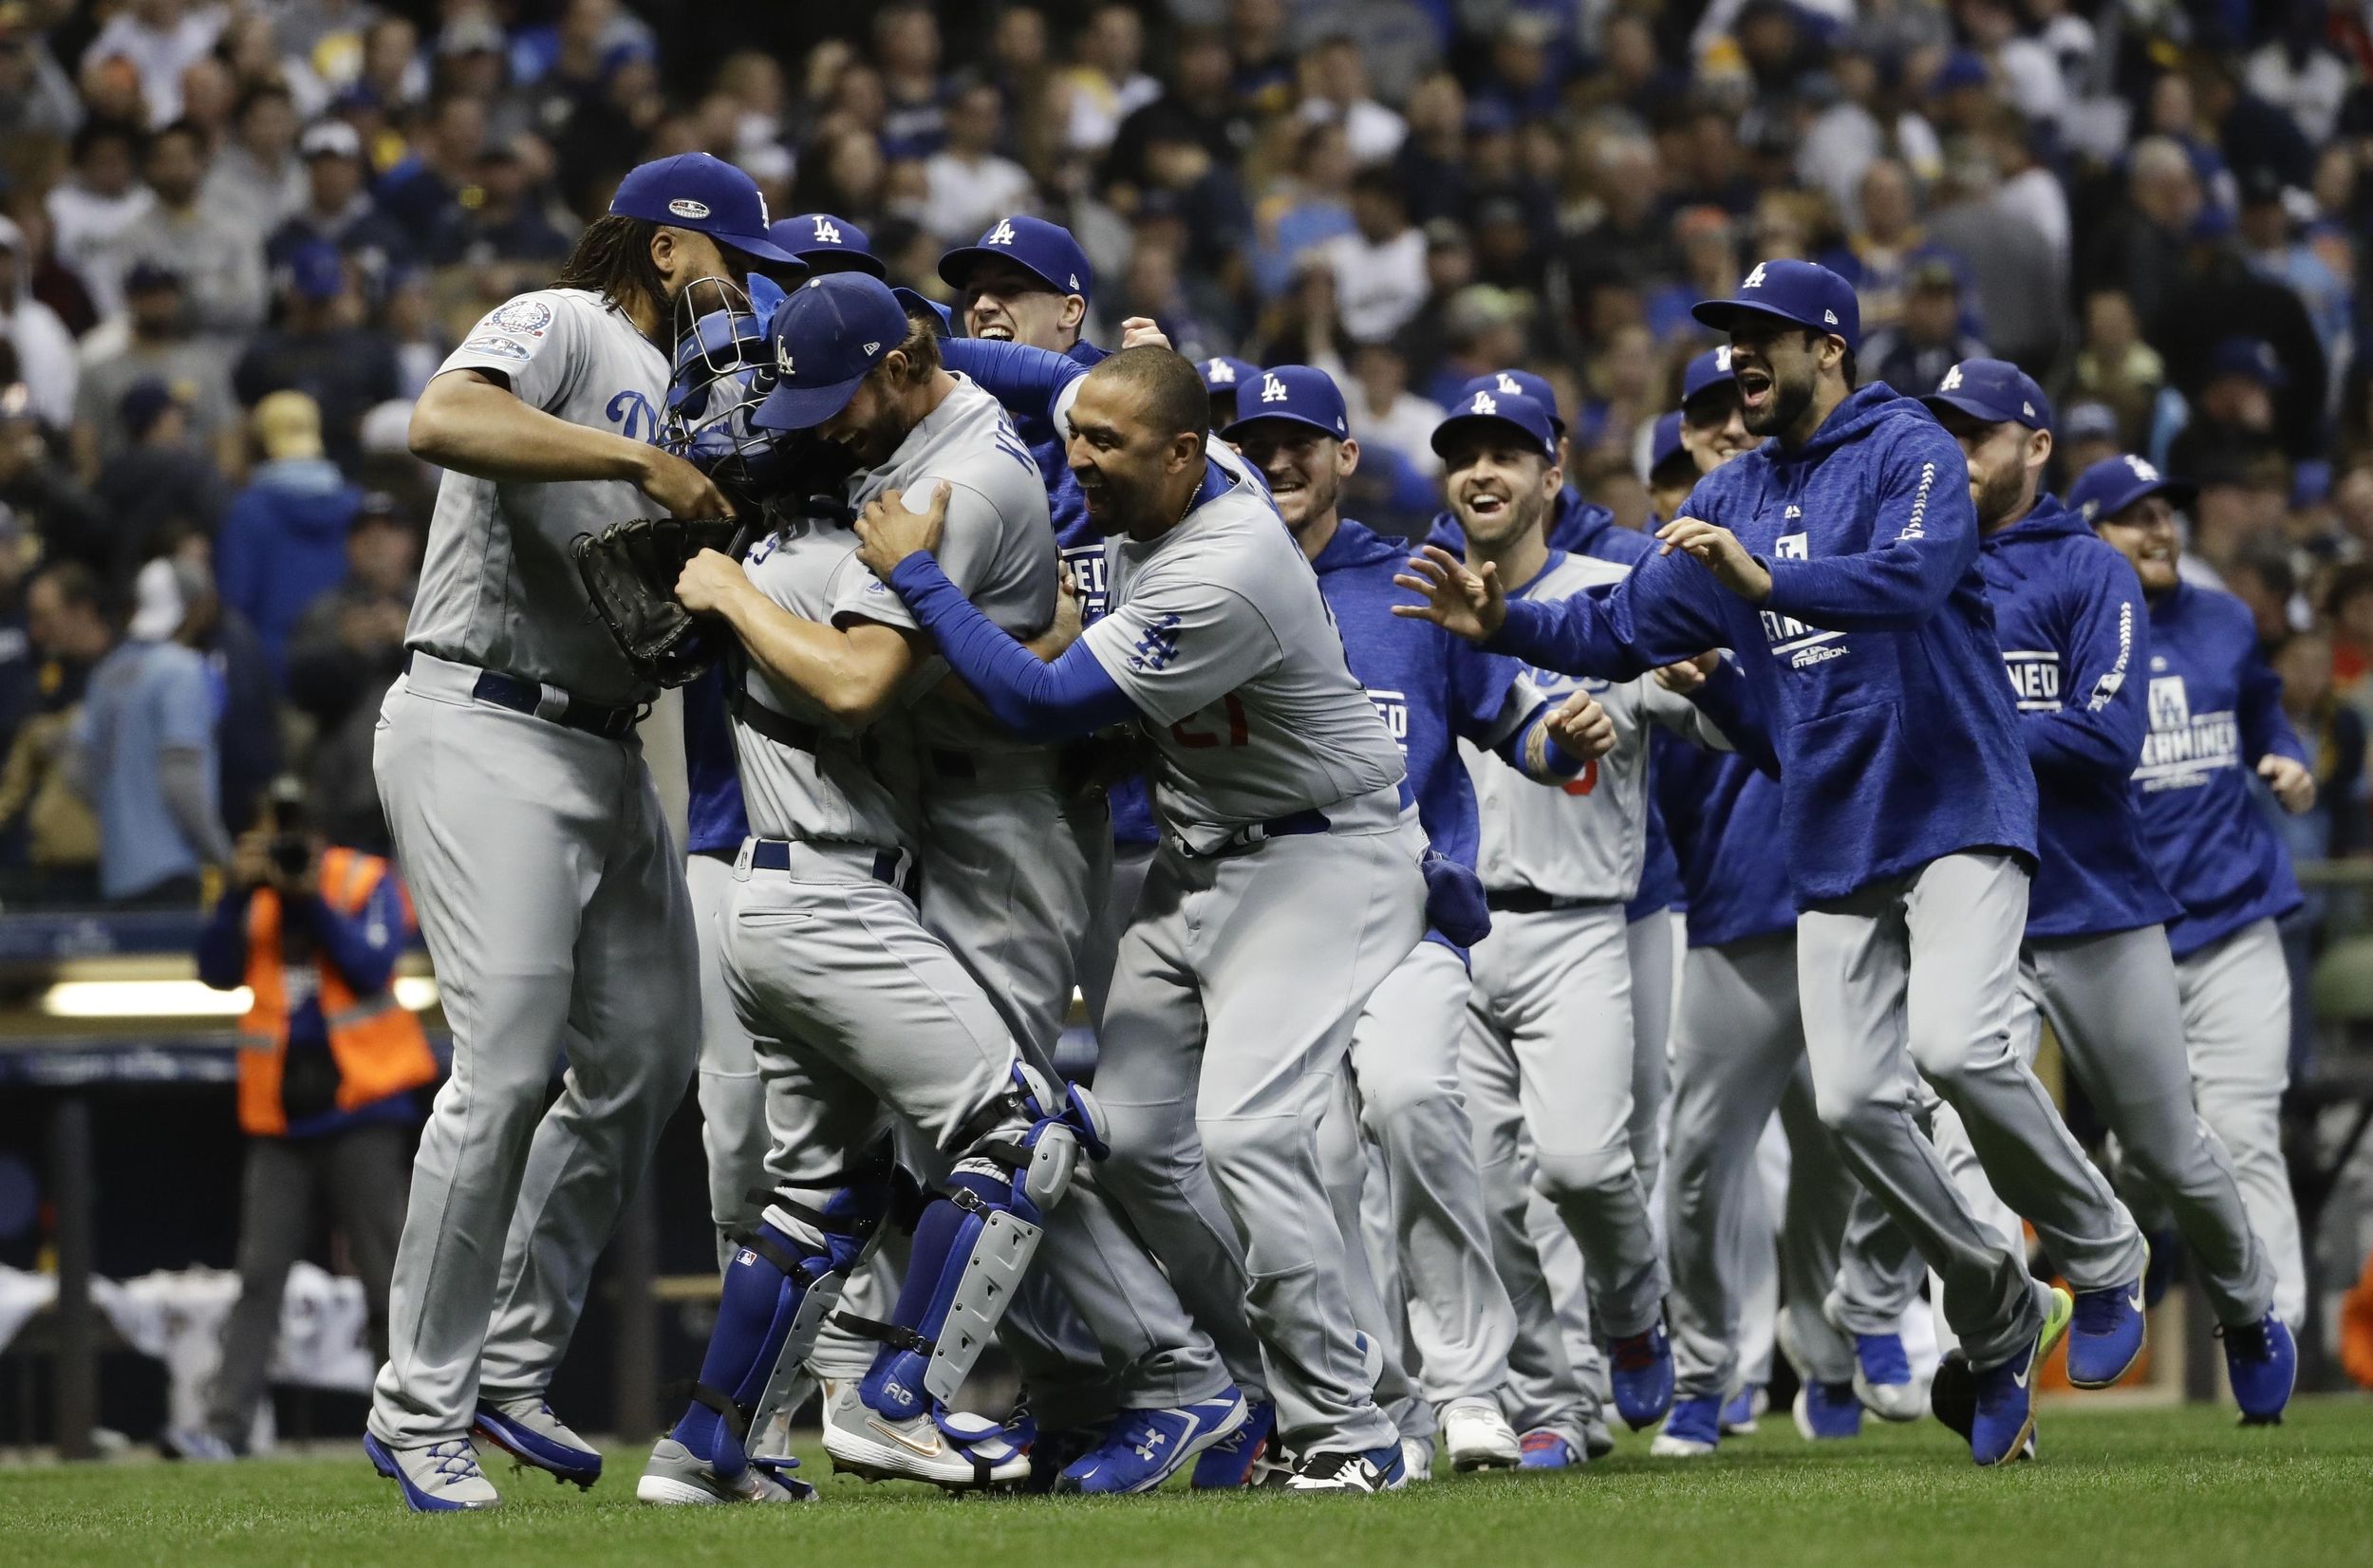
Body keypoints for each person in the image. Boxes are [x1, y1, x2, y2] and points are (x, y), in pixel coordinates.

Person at [1397, 260, 2146, 1468]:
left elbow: (1915, 576)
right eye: (1731, 336)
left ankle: (2105, 1255)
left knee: (1956, 1048)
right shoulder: (1733, 488)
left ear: (1830, 346)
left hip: (1957, 796)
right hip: (1838, 829)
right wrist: (1508, 624)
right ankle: (1998, 1310)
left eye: (1766, 336)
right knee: (1854, 1107)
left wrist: (1769, 581)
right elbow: (1624, 625)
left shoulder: (1908, 446)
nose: (1742, 354)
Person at [851, 345, 1440, 1492]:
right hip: (1201, 854)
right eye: (1077, 439)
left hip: (1324, 856)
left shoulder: (1228, 560)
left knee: (1251, 1135)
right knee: (1126, 1134)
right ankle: (1321, 1380)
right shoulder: (1166, 445)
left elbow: (1043, 701)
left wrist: (919, 582)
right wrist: (915, 330)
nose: (1078, 461)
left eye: (1105, 448)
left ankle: (1352, 1430)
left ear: (1182, 452)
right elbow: (1061, 371)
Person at [717, 278, 1243, 1497]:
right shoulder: (918, 423)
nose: (821, 421)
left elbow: (901, 684)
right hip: (951, 811)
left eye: (836, 392)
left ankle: (1179, 1381)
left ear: (900, 368)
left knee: (1006, 1129)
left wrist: (743, 593)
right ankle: (1093, 1389)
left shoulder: (963, 473)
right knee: (960, 1133)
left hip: (1004, 812)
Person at [362, 153, 796, 1513]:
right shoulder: (564, 321)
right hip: (481, 717)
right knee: (499, 1072)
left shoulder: (713, 397)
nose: (748, 291)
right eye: (730, 260)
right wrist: (640, 459)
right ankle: (416, 1403)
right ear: (669, 249)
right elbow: (438, 419)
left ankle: (503, 1361)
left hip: (612, 742)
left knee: (648, 1057)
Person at [1224, 365, 1606, 1479]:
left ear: (1348, 457)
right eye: (1258, 441)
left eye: (1303, 440)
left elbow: (1509, 723)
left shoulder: (1407, 581)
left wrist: (1562, 738)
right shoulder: (1206, 584)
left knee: (1409, 1092)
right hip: (1269, 928)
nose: (1280, 458)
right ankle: (1370, 1399)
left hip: (1408, 915)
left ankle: (1469, 1384)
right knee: (1319, 1158)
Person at [2074, 451, 2317, 1341]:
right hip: (2127, 933)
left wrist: (2287, 757)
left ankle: (2276, 1321)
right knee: (2157, 1150)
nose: (2159, 528)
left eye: (2167, 512)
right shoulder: (2071, 629)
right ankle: (2141, 1212)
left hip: (2237, 913)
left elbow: (2265, 712)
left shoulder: (2222, 620)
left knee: (2244, 1126)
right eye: (2134, 515)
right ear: (2090, 535)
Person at [160, 776, 435, 1462]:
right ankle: (224, 1430)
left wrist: (310, 897)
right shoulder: (249, 892)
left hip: (362, 1105)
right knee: (258, 1278)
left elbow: (373, 967)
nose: (287, 845)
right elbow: (215, 970)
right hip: (281, 1116)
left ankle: (415, 1426)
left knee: (387, 1277)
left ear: (321, 833)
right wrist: (236, 891)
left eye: (296, 831)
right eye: (274, 831)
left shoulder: (360, 877)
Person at [70, 555, 232, 905]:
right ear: (194, 608)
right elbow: (181, 780)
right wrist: (223, 855)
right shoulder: (183, 671)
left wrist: (122, 808)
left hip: (116, 873)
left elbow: (77, 770)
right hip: (171, 869)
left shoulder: (107, 672)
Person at [216, 391, 363, 681]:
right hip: (348, 670)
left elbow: (235, 601)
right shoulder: (359, 505)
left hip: (272, 672)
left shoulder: (247, 511)